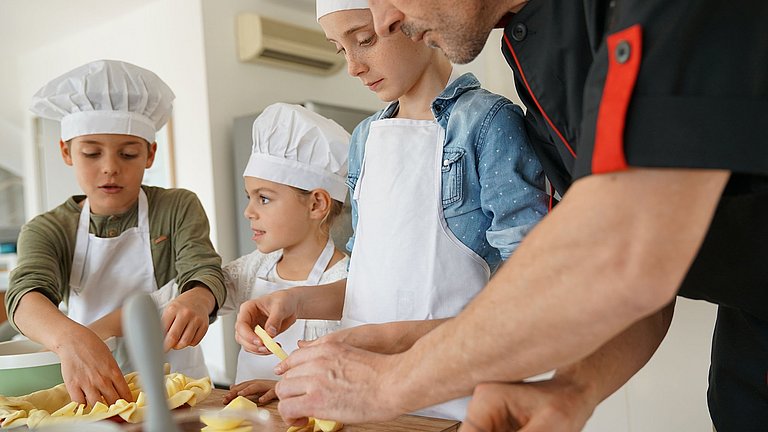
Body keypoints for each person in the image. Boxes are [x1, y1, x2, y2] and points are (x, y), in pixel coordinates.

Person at [267, 1, 768, 431]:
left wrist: (391, 380)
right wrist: (574, 387)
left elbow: (626, 248)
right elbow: (637, 268)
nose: (387, 18)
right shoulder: (537, 51)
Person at [234, 0, 548, 421]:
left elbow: (530, 293)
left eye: (364, 40)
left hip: (458, 396)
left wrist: (386, 340)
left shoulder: (486, 123)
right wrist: (294, 301)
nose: (353, 67)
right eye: (339, 50)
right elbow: (370, 285)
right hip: (363, 394)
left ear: (408, 18)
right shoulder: (365, 139)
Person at [5, 60, 226, 407]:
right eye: (91, 153)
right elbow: (24, 294)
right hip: (91, 391)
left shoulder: (176, 207)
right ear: (66, 151)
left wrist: (197, 298)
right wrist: (70, 340)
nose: (110, 167)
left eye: (128, 153)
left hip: (178, 389)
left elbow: (203, 270)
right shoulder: (48, 228)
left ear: (150, 154)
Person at [217, 103, 350, 405]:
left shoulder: (349, 279)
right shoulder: (255, 268)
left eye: (263, 198)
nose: (248, 212)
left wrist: (281, 387)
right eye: (249, 197)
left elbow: (353, 376)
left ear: (316, 204)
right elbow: (196, 293)